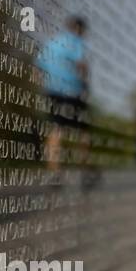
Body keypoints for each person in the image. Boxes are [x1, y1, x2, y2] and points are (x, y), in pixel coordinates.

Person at [37, 16, 89, 169]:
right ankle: (85, 167)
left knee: (55, 128)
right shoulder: (76, 41)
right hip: (72, 91)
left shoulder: (52, 42)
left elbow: (38, 68)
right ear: (79, 29)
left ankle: (54, 168)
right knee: (83, 129)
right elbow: (81, 65)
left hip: (52, 90)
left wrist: (46, 86)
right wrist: (85, 81)